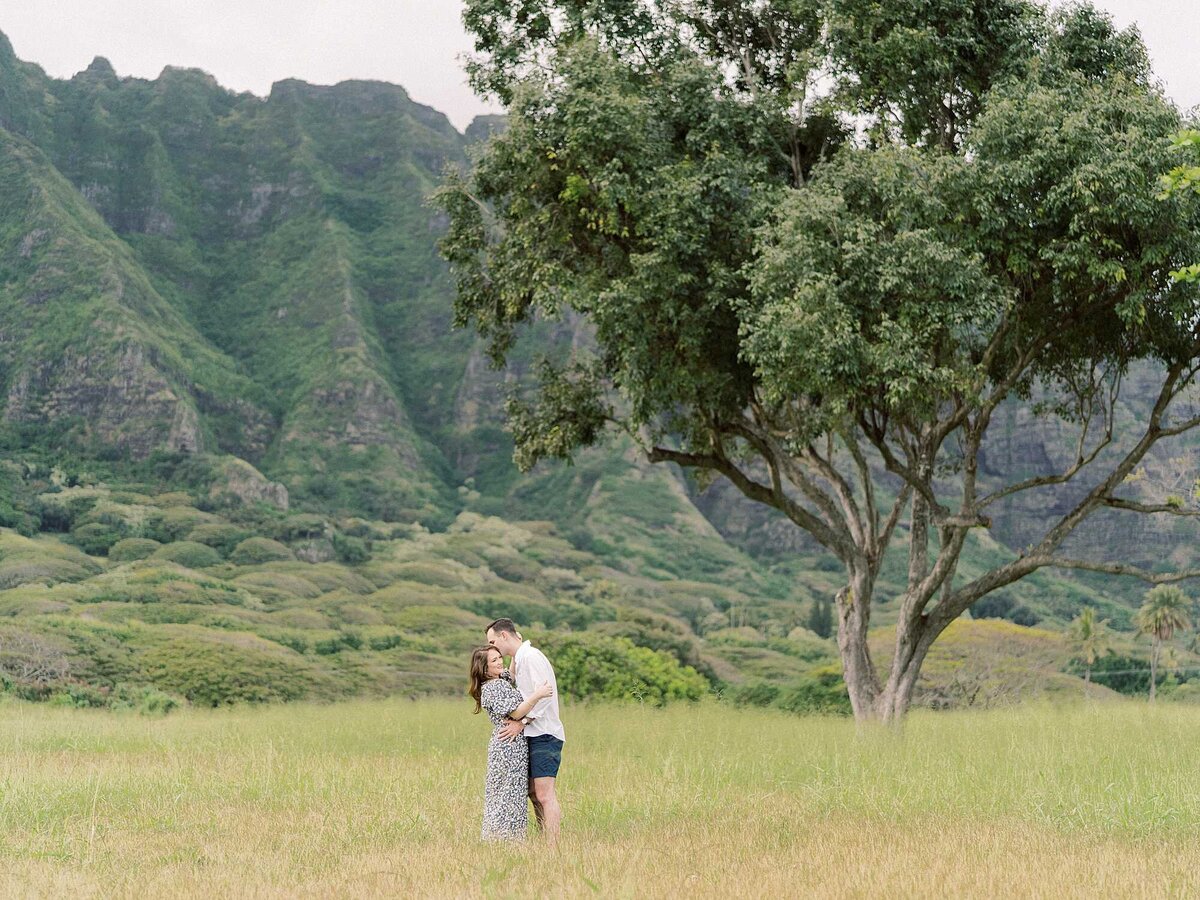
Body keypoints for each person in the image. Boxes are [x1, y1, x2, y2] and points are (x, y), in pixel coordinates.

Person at [485, 617, 564, 843]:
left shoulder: (530, 657)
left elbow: (544, 694)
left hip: (544, 733)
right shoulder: (521, 659)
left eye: (493, 641)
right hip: (532, 734)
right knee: (532, 792)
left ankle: (552, 846)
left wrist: (523, 722)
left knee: (544, 794)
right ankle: (543, 838)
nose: (492, 647)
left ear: (503, 636)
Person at [467, 645, 553, 842]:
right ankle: (504, 839)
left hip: (512, 743)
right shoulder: (492, 687)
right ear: (484, 668)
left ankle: (506, 838)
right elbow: (515, 713)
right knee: (508, 793)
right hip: (508, 745)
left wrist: (518, 649)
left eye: (499, 657)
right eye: (494, 660)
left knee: (510, 792)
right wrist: (538, 694)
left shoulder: (499, 679)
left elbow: (511, 673)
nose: (500, 662)